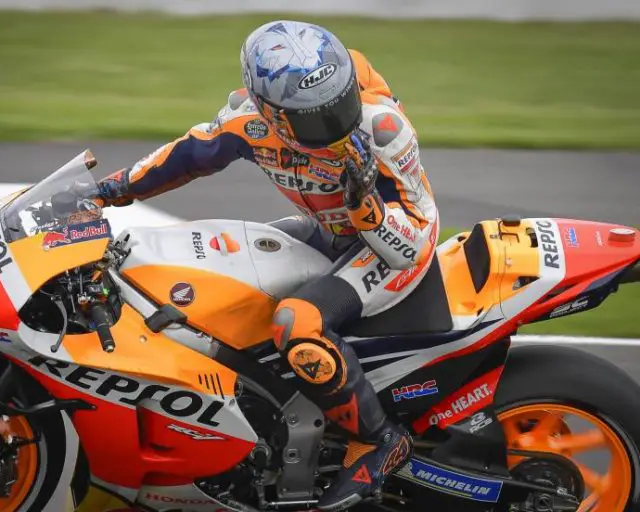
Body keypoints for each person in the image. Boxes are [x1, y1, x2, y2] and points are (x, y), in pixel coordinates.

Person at [98, 20, 438, 511]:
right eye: (316, 119)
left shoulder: (383, 129)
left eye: (340, 104)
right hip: (328, 230)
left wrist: (368, 209)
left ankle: (379, 440)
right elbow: (184, 157)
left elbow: (408, 245)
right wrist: (106, 191)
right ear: (270, 114)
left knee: (297, 324)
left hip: (394, 243)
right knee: (227, 275)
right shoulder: (247, 122)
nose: (337, 125)